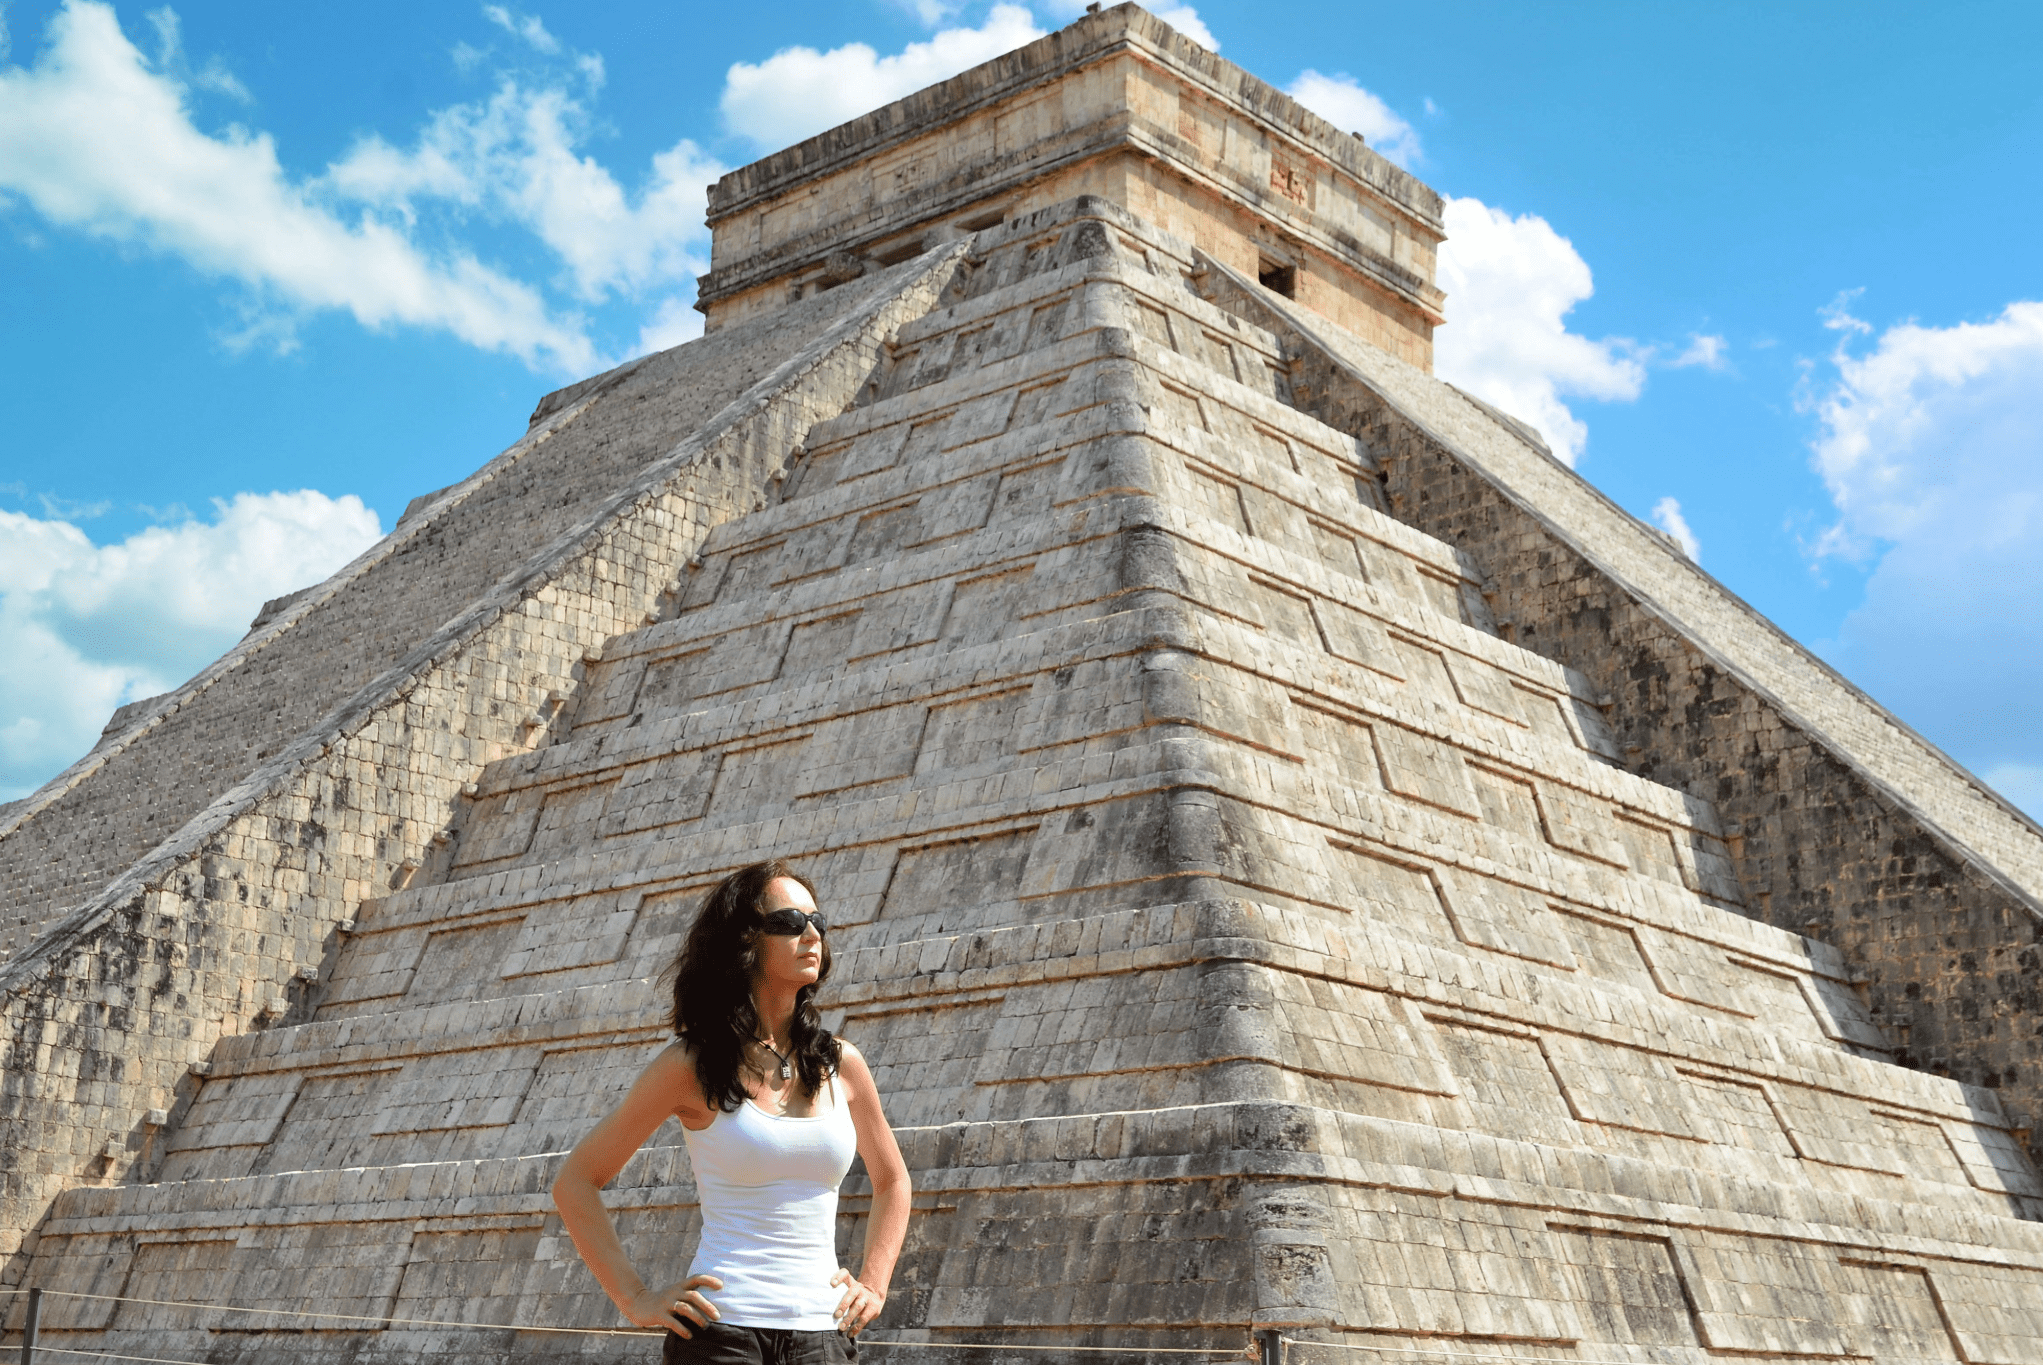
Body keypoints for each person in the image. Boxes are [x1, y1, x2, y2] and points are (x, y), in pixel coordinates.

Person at [553, 860, 910, 1364]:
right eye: (789, 923)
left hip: (824, 1339)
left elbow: (893, 1181)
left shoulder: (842, 1064)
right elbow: (576, 1180)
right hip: (721, 1337)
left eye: (818, 922)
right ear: (745, 942)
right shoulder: (690, 1065)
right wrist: (635, 1299)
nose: (811, 934)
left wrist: (874, 1283)